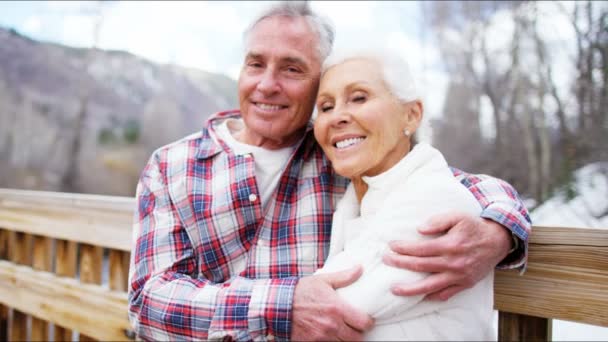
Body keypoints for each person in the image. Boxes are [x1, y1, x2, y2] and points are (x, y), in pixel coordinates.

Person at [128, 2, 531, 341]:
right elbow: (149, 300)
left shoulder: (339, 153)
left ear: (318, 85)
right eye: (256, 64)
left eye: (291, 69)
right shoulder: (174, 166)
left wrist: (499, 229)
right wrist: (282, 307)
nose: (267, 85)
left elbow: (444, 183)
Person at [313, 49, 495, 340]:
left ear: (411, 115)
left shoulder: (435, 198)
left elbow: (321, 314)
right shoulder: (354, 203)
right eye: (325, 107)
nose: (337, 117)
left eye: (359, 97)